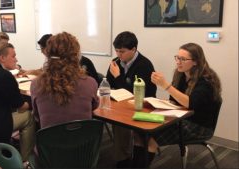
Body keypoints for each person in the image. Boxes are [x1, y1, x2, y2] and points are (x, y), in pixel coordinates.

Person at [132, 43, 222, 168]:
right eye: (177, 57)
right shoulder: (180, 74)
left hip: (198, 125)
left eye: (183, 59)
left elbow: (191, 103)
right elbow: (174, 100)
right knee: (139, 131)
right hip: (179, 117)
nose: (178, 62)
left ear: (195, 62)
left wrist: (166, 85)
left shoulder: (206, 81)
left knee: (150, 137)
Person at [106, 31, 157, 168]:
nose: (118, 55)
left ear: (134, 49)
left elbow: (137, 94)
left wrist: (118, 77)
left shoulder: (144, 65)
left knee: (123, 126)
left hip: (143, 107)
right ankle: (123, 160)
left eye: (122, 51)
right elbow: (108, 86)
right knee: (118, 122)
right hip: (120, 106)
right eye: (116, 51)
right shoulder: (116, 63)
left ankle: (132, 160)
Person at [30, 32, 99, 129]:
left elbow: (37, 116)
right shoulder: (90, 83)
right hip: (83, 142)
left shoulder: (36, 84)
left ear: (48, 53)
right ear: (76, 55)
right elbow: (94, 106)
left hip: (50, 142)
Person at [25, 34, 100, 84]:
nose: (42, 52)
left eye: (43, 48)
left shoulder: (83, 63)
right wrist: (33, 71)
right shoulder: (53, 61)